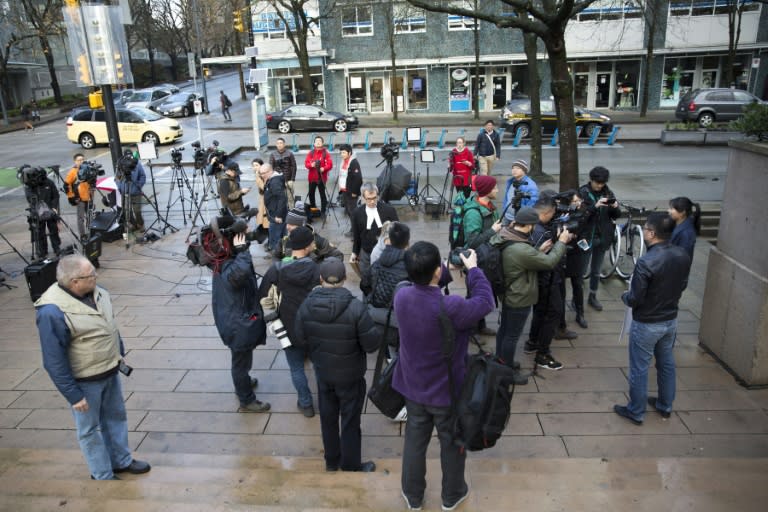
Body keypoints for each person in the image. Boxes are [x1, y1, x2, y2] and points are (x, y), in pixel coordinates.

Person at [393, 242, 495, 511]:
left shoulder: (400, 295)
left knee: (415, 441)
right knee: (451, 442)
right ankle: (452, 495)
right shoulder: (451, 307)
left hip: (412, 386)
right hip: (446, 392)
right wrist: (473, 270)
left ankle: (412, 496)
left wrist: (446, 269)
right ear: (436, 272)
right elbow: (486, 301)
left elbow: (424, 284)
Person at [35, 255, 151, 480]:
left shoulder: (99, 292)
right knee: (89, 430)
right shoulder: (51, 311)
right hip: (84, 382)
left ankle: (121, 461)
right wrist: (73, 395)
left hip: (109, 371)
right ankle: (102, 474)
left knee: (116, 417)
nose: (96, 276)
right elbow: (53, 359)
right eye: (91, 275)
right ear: (74, 281)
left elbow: (110, 326)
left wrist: (119, 354)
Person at [294, 258, 379, 473]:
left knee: (328, 417)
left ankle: (332, 461)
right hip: (350, 376)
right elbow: (371, 345)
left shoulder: (306, 305)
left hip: (323, 372)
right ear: (344, 279)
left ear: (320, 279)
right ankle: (351, 464)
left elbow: (300, 339)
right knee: (350, 420)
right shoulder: (356, 308)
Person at [613, 212, 691, 425]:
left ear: (652, 233)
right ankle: (665, 405)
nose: (644, 232)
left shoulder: (646, 262)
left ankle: (636, 411)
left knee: (639, 367)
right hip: (670, 320)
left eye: (646, 229)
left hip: (647, 323)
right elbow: (682, 285)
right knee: (666, 363)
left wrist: (625, 296)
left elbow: (635, 298)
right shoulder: (682, 254)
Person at [492, 206, 571, 375]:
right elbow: (549, 263)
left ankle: (500, 361)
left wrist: (537, 251)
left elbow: (520, 260)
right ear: (528, 226)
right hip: (519, 296)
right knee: (512, 336)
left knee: (504, 330)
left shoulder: (506, 235)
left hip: (507, 291)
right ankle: (506, 372)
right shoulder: (521, 248)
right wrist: (562, 242)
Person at [258, 226, 320, 417]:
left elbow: (263, 297)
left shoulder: (277, 269)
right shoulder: (316, 269)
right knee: (319, 366)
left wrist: (274, 313)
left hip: (288, 327)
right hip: (314, 328)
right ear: (308, 246)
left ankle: (306, 404)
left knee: (296, 367)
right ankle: (326, 401)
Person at [211, 229, 271, 413]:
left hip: (236, 318)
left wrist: (239, 251)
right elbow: (238, 276)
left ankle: (243, 382)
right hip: (236, 323)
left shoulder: (224, 258)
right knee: (240, 362)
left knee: (243, 355)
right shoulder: (229, 265)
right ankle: (246, 399)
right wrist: (243, 251)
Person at [523, 195, 568, 370]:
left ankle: (532, 342)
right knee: (553, 312)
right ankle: (543, 353)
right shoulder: (541, 232)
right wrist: (561, 242)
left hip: (537, 280)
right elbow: (547, 260)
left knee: (540, 311)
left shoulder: (529, 224)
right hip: (547, 279)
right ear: (547, 212)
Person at [578, 166, 620, 312]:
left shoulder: (608, 193)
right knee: (581, 271)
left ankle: (593, 297)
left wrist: (615, 207)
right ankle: (577, 300)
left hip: (603, 238)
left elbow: (616, 216)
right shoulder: (583, 192)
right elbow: (580, 217)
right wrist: (595, 206)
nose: (599, 186)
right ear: (591, 179)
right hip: (586, 237)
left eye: (602, 183)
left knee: (596, 271)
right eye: (597, 182)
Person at [350, 183, 399, 292]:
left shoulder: (389, 210)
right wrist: (355, 252)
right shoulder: (357, 213)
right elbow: (357, 235)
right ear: (363, 197)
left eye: (374, 198)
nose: (372, 202)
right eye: (368, 199)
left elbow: (397, 232)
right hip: (366, 254)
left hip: (385, 253)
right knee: (367, 283)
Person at [272, 206, 344, 262]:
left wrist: (321, 272)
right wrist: (280, 269)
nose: (287, 227)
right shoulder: (285, 241)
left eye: (292, 224)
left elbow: (337, 255)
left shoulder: (316, 240)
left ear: (302, 226)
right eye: (287, 223)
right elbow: (276, 257)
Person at [24, 168, 61, 257]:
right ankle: (43, 251)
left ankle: (56, 248)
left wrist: (54, 208)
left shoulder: (49, 182)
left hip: (50, 211)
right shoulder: (30, 185)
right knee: (40, 232)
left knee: (53, 230)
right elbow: (30, 199)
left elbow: (56, 196)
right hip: (37, 212)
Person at [462, 175, 502, 250]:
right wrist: (492, 230)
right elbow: (473, 242)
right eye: (494, 188)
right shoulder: (473, 214)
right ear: (487, 190)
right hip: (479, 256)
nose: (497, 190)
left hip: (490, 251)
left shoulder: (490, 206)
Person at [259, 163, 288, 259]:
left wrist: (278, 215)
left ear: (270, 171)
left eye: (263, 173)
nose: (262, 175)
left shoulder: (274, 182)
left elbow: (282, 198)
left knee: (275, 235)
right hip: (278, 213)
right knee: (282, 235)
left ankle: (276, 255)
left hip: (276, 215)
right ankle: (281, 252)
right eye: (260, 173)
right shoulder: (273, 179)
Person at [116, 149, 147, 235]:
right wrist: (120, 187)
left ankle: (140, 224)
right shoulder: (120, 165)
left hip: (136, 192)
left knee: (137, 210)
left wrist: (139, 185)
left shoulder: (137, 164)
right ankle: (133, 225)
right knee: (127, 210)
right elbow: (117, 178)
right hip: (125, 192)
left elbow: (142, 176)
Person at [501, 159, 539, 224]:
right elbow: (507, 199)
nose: (514, 170)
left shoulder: (530, 185)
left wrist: (520, 219)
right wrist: (504, 211)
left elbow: (531, 205)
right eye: (513, 168)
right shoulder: (511, 182)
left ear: (524, 170)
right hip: (507, 217)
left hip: (519, 220)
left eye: (518, 168)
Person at [64, 153, 91, 241]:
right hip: (80, 198)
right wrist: (72, 197)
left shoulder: (87, 169)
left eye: (82, 159)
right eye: (79, 160)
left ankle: (91, 231)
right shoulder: (72, 172)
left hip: (89, 197)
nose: (81, 161)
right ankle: (82, 235)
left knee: (90, 216)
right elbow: (66, 185)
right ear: (75, 161)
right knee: (81, 218)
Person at [337, 143, 363, 235]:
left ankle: (355, 231)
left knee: (352, 212)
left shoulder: (353, 162)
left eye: (343, 153)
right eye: (341, 153)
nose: (342, 155)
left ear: (349, 153)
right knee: (348, 210)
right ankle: (354, 229)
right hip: (344, 190)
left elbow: (358, 178)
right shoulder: (343, 161)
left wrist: (355, 192)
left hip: (351, 192)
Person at [304, 136, 333, 216]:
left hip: (322, 178)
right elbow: (306, 164)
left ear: (322, 143)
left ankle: (323, 211)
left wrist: (324, 168)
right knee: (311, 194)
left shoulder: (325, 153)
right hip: (312, 178)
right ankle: (314, 210)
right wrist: (311, 165)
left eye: (320, 141)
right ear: (314, 143)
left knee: (322, 195)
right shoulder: (311, 153)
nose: (318, 142)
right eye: (316, 141)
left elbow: (330, 165)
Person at [668, 196, 701, 262]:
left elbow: (682, 257)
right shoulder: (678, 224)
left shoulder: (687, 233)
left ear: (683, 212)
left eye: (672, 208)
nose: (668, 210)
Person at [270, 137, 298, 205]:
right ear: (276, 145)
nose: (279, 145)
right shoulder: (273, 154)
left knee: (290, 197)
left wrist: (292, 179)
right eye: (278, 143)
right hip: (277, 180)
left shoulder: (289, 154)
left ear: (284, 144)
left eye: (281, 143)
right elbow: (271, 167)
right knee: (280, 198)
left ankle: (291, 212)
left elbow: (294, 166)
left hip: (288, 179)